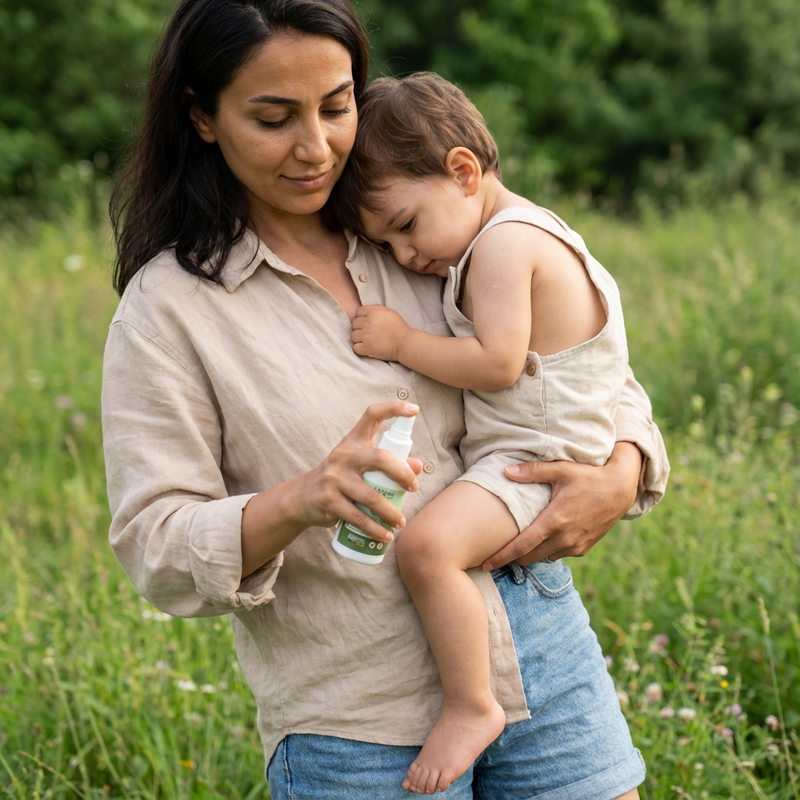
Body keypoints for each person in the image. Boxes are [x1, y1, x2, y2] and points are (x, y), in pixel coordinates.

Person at [103, 1, 668, 798]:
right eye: (273, 118)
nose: (316, 147)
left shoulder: (417, 220)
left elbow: (581, 363)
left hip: (541, 654)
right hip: (356, 713)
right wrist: (301, 500)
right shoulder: (170, 311)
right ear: (202, 116)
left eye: (336, 107)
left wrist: (624, 467)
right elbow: (154, 545)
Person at [330, 71, 632, 794]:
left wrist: (402, 341)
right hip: (544, 445)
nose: (406, 257)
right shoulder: (524, 229)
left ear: (463, 171)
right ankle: (475, 696)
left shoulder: (501, 246)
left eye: (405, 225)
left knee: (429, 547)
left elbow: (497, 363)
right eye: (386, 243)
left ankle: (471, 704)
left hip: (538, 456)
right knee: (438, 546)